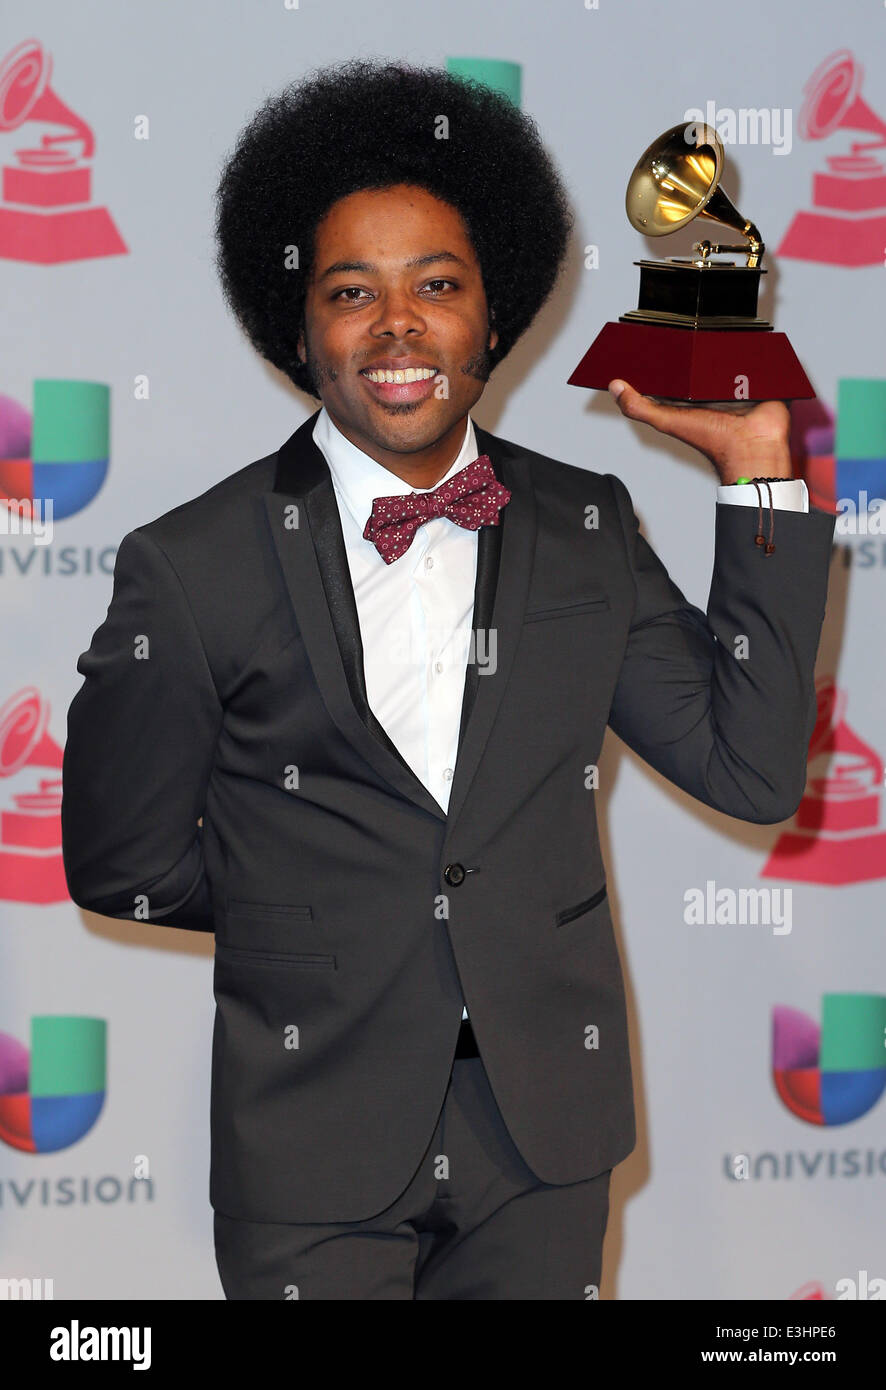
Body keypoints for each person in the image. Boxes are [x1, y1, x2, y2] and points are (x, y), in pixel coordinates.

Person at [61, 58, 835, 1300]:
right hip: (309, 1150)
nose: (398, 326)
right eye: (351, 291)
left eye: (438, 285)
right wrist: (316, 910)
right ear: (299, 326)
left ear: (495, 310)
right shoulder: (190, 565)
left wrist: (760, 472)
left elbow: (747, 769)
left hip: (542, 1143)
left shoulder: (587, 524)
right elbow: (122, 865)